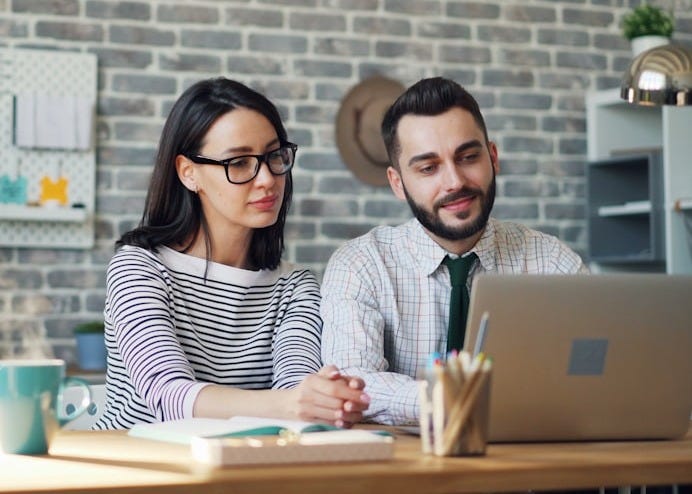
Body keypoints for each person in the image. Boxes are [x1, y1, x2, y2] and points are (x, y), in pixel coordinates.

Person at [94, 77, 369, 430]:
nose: (267, 179)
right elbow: (168, 396)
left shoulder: (295, 286)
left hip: (238, 472)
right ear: (188, 173)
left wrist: (321, 399)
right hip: (136, 470)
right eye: (239, 162)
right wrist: (294, 403)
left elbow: (295, 394)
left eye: (274, 156)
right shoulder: (139, 266)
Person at [320, 77, 587, 425]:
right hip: (406, 474)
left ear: (492, 157)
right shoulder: (361, 265)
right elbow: (354, 384)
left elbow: (595, 376)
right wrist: (453, 399)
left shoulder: (553, 262)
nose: (455, 181)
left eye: (468, 157)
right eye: (429, 167)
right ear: (398, 183)